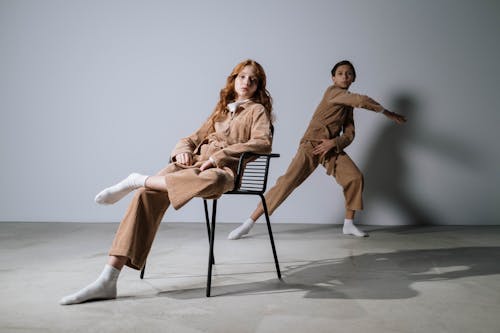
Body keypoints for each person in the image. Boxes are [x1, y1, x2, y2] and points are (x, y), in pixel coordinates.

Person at [59, 59, 274, 305]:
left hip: (222, 171)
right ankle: (108, 279)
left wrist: (218, 157)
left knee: (212, 178)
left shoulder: (257, 111)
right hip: (190, 166)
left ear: (259, 86)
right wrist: (181, 151)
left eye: (252, 79)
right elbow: (191, 138)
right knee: (144, 196)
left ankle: (138, 179)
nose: (246, 82)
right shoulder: (222, 109)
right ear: (233, 80)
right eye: (241, 77)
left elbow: (262, 143)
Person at [228, 60, 406, 240]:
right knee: (287, 183)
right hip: (311, 146)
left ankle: (349, 224)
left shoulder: (347, 105)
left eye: (349, 73)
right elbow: (361, 100)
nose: (344, 76)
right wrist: (386, 112)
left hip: (329, 148)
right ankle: (248, 223)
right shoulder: (333, 92)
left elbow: (350, 133)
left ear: (353, 78)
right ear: (333, 78)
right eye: (340, 73)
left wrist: (334, 143)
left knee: (354, 177)